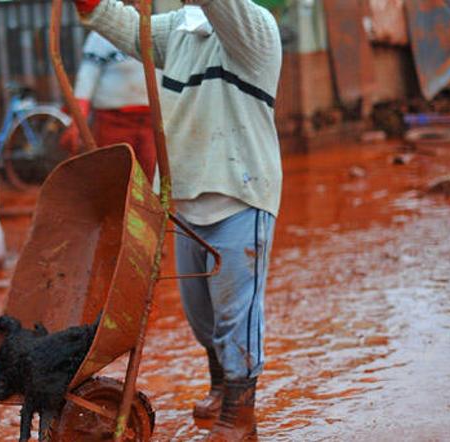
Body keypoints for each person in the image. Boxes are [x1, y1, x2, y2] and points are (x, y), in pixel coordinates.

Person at [69, 0, 282, 440]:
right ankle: (222, 386)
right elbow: (131, 30)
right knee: (202, 312)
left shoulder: (253, 30)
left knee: (236, 313)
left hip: (237, 191)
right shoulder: (182, 32)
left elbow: (224, 11)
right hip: (185, 192)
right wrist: (91, 5)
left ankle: (239, 415)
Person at [60, 28, 157, 182]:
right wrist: (77, 123)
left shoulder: (157, 31)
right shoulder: (101, 36)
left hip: (152, 122)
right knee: (113, 176)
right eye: (131, 1)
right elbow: (86, 80)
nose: (136, 3)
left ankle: (146, 207)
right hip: (113, 122)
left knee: (151, 179)